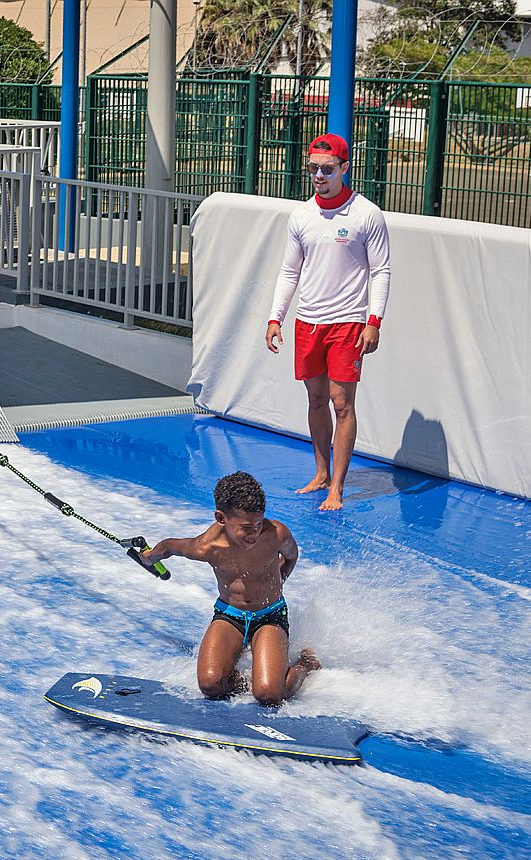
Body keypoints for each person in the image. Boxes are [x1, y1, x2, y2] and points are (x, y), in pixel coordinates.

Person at [266, 133, 391, 511]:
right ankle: (320, 474)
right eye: (313, 168)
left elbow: (381, 270)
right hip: (309, 321)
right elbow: (290, 271)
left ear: (344, 167)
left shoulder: (366, 214)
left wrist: (374, 321)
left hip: (348, 324)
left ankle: (337, 486)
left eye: (327, 169)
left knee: (342, 404)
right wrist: (276, 317)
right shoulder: (302, 215)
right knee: (316, 399)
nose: (319, 176)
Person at [138, 472, 320, 705]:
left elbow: (292, 556)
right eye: (246, 527)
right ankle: (252, 677)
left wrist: (280, 579)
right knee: (211, 685)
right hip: (229, 615)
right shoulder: (208, 547)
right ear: (221, 518)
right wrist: (150, 557)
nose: (254, 532)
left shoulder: (276, 534)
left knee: (269, 694)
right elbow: (170, 547)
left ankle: (305, 664)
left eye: (258, 523)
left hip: (270, 617)